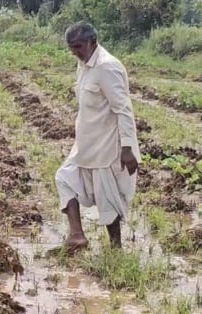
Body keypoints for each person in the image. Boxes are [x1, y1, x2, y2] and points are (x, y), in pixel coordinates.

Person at [55, 21, 140, 251]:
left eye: (78, 46)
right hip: (86, 143)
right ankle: (77, 235)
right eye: (71, 47)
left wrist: (127, 148)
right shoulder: (83, 65)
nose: (75, 52)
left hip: (107, 146)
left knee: (107, 198)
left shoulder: (107, 67)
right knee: (64, 178)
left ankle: (116, 248)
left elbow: (123, 109)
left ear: (93, 41)